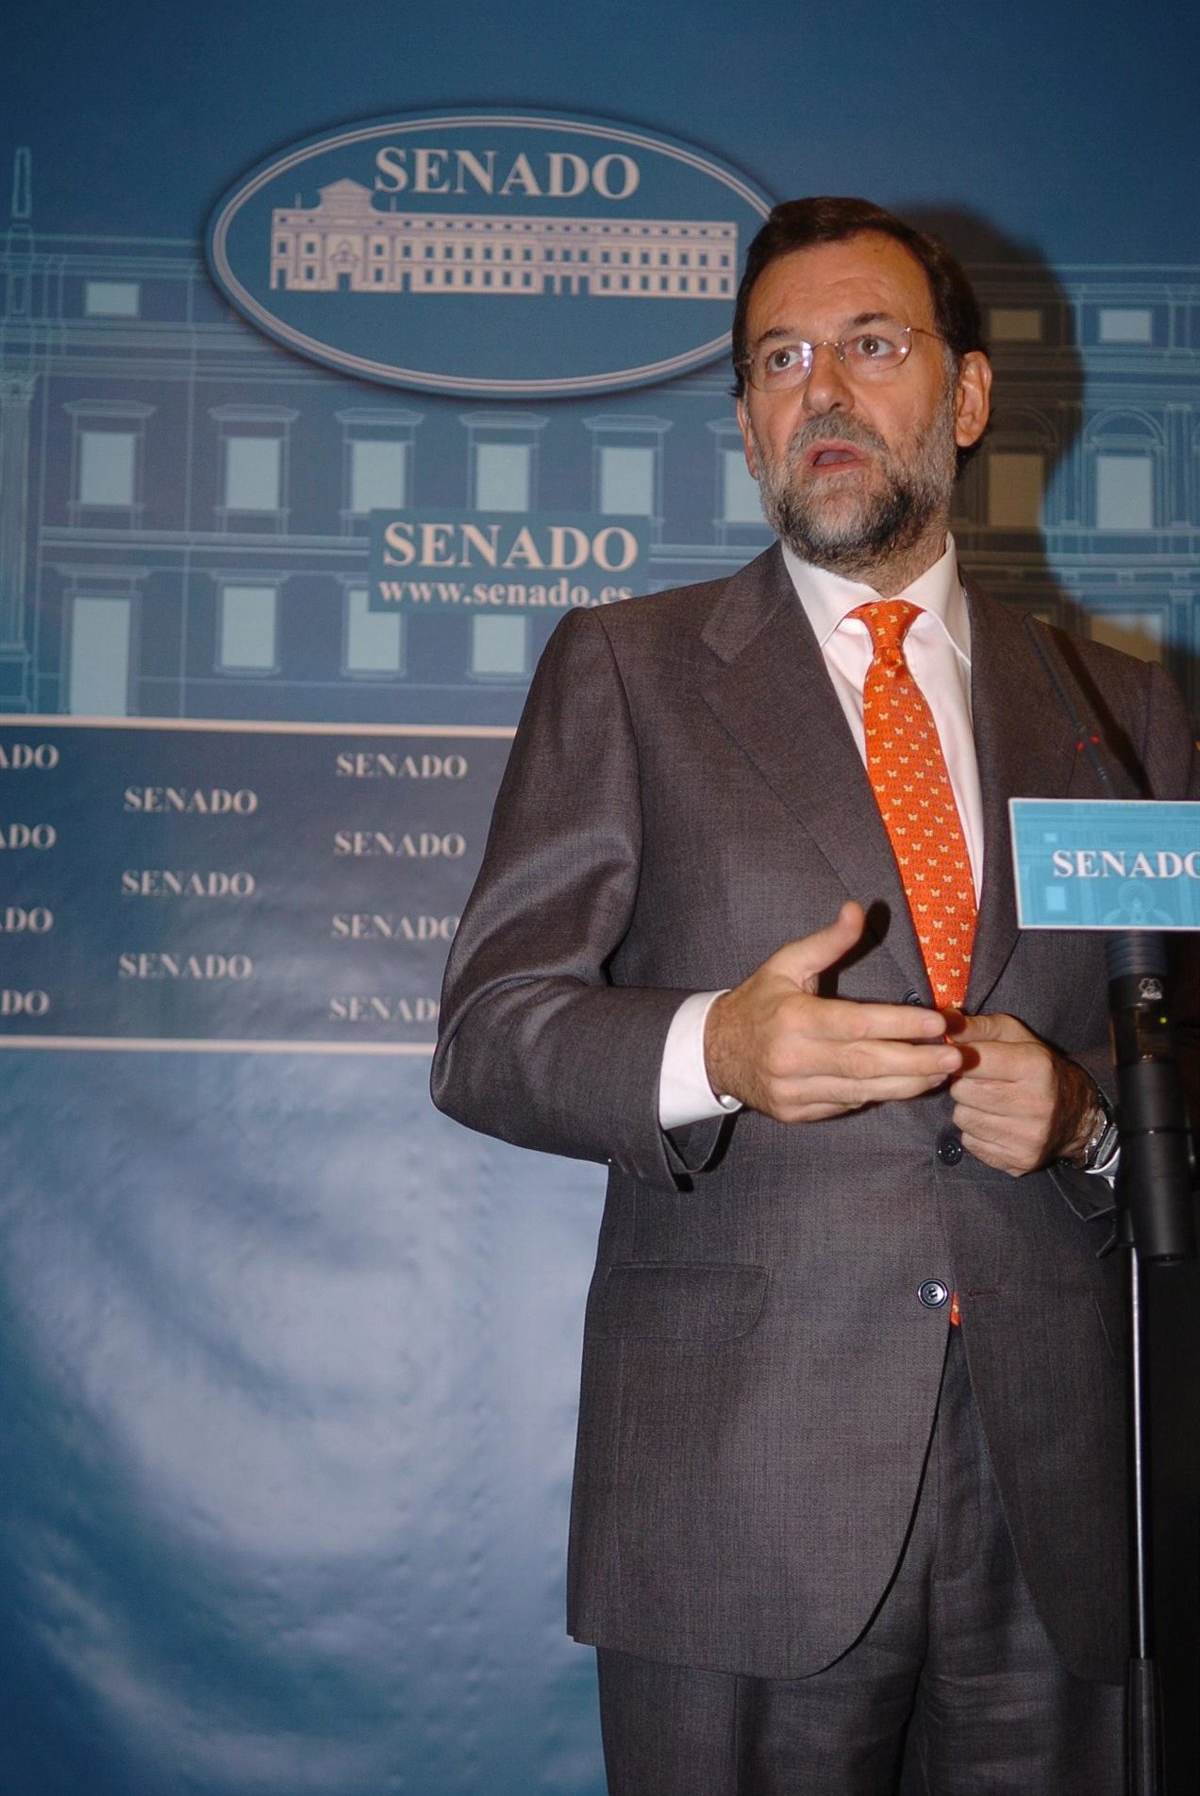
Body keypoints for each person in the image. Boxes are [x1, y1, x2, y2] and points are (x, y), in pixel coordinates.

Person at [431, 198, 1198, 1794]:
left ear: (966, 397)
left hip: (1065, 1514)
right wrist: (717, 1046)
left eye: (870, 345)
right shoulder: (629, 671)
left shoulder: (1122, 713)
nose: (822, 391)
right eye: (778, 361)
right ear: (745, 424)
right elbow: (490, 1035)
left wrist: (1084, 1122)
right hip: (743, 1504)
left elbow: (1176, 1071)